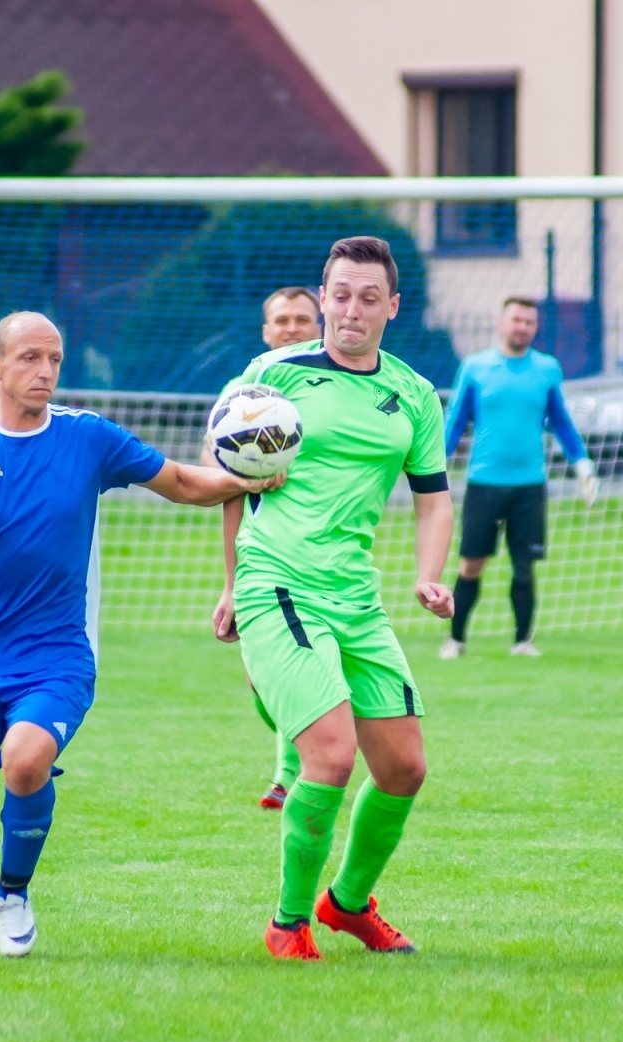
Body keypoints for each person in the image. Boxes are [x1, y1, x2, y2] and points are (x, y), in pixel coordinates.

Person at [0, 311, 276, 962]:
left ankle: (12, 893)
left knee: (24, 759)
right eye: (30, 358)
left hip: (56, 657)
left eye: (55, 359)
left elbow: (178, 481)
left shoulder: (88, 436)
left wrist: (246, 479)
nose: (46, 371)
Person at [221, 236, 454, 961]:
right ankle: (288, 924)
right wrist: (230, 579)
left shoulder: (414, 394)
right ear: (323, 298)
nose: (351, 309)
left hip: (356, 596)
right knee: (329, 754)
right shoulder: (272, 373)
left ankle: (346, 905)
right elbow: (225, 470)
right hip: (277, 581)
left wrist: (428, 574)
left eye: (367, 297)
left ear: (393, 306)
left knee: (404, 766)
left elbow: (434, 499)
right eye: (340, 294)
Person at [439, 297, 596, 659]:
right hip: (484, 482)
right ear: (501, 323)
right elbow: (456, 420)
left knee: (524, 566)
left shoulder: (546, 369)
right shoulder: (476, 367)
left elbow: (560, 420)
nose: (522, 327)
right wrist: (438, 465)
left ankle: (523, 641)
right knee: (472, 563)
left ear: (535, 327)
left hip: (529, 485)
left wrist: (582, 463)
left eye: (529, 322)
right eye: (517, 320)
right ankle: (456, 639)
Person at [214, 287, 323, 811]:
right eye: (282, 320)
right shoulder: (241, 395)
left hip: (323, 562)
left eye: (303, 319)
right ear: (265, 331)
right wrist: (230, 584)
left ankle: (288, 773)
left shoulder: (333, 391)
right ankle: (309, 756)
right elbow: (226, 490)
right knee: (263, 684)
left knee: (309, 674)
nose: (292, 329)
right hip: (262, 562)